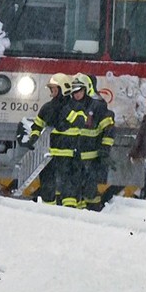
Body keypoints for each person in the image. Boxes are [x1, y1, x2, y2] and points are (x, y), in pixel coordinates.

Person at [17, 73, 72, 204]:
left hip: (68, 155)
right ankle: (48, 210)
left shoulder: (73, 108)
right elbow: (38, 125)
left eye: (54, 88)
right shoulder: (47, 107)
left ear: (63, 89)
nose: (51, 91)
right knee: (48, 187)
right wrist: (33, 138)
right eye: (51, 88)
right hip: (48, 155)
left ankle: (65, 210)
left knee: (67, 188)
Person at [52, 75, 106, 209]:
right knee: (73, 183)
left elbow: (101, 127)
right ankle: (74, 208)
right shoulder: (71, 105)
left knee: (80, 184)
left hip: (82, 152)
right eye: (74, 91)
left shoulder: (95, 105)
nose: (77, 94)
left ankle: (78, 208)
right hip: (74, 152)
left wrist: (104, 148)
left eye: (79, 90)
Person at [76, 73, 115, 210]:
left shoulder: (97, 105)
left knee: (89, 190)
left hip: (91, 157)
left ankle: (92, 213)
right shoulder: (76, 104)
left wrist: (104, 150)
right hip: (78, 156)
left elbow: (108, 129)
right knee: (79, 189)